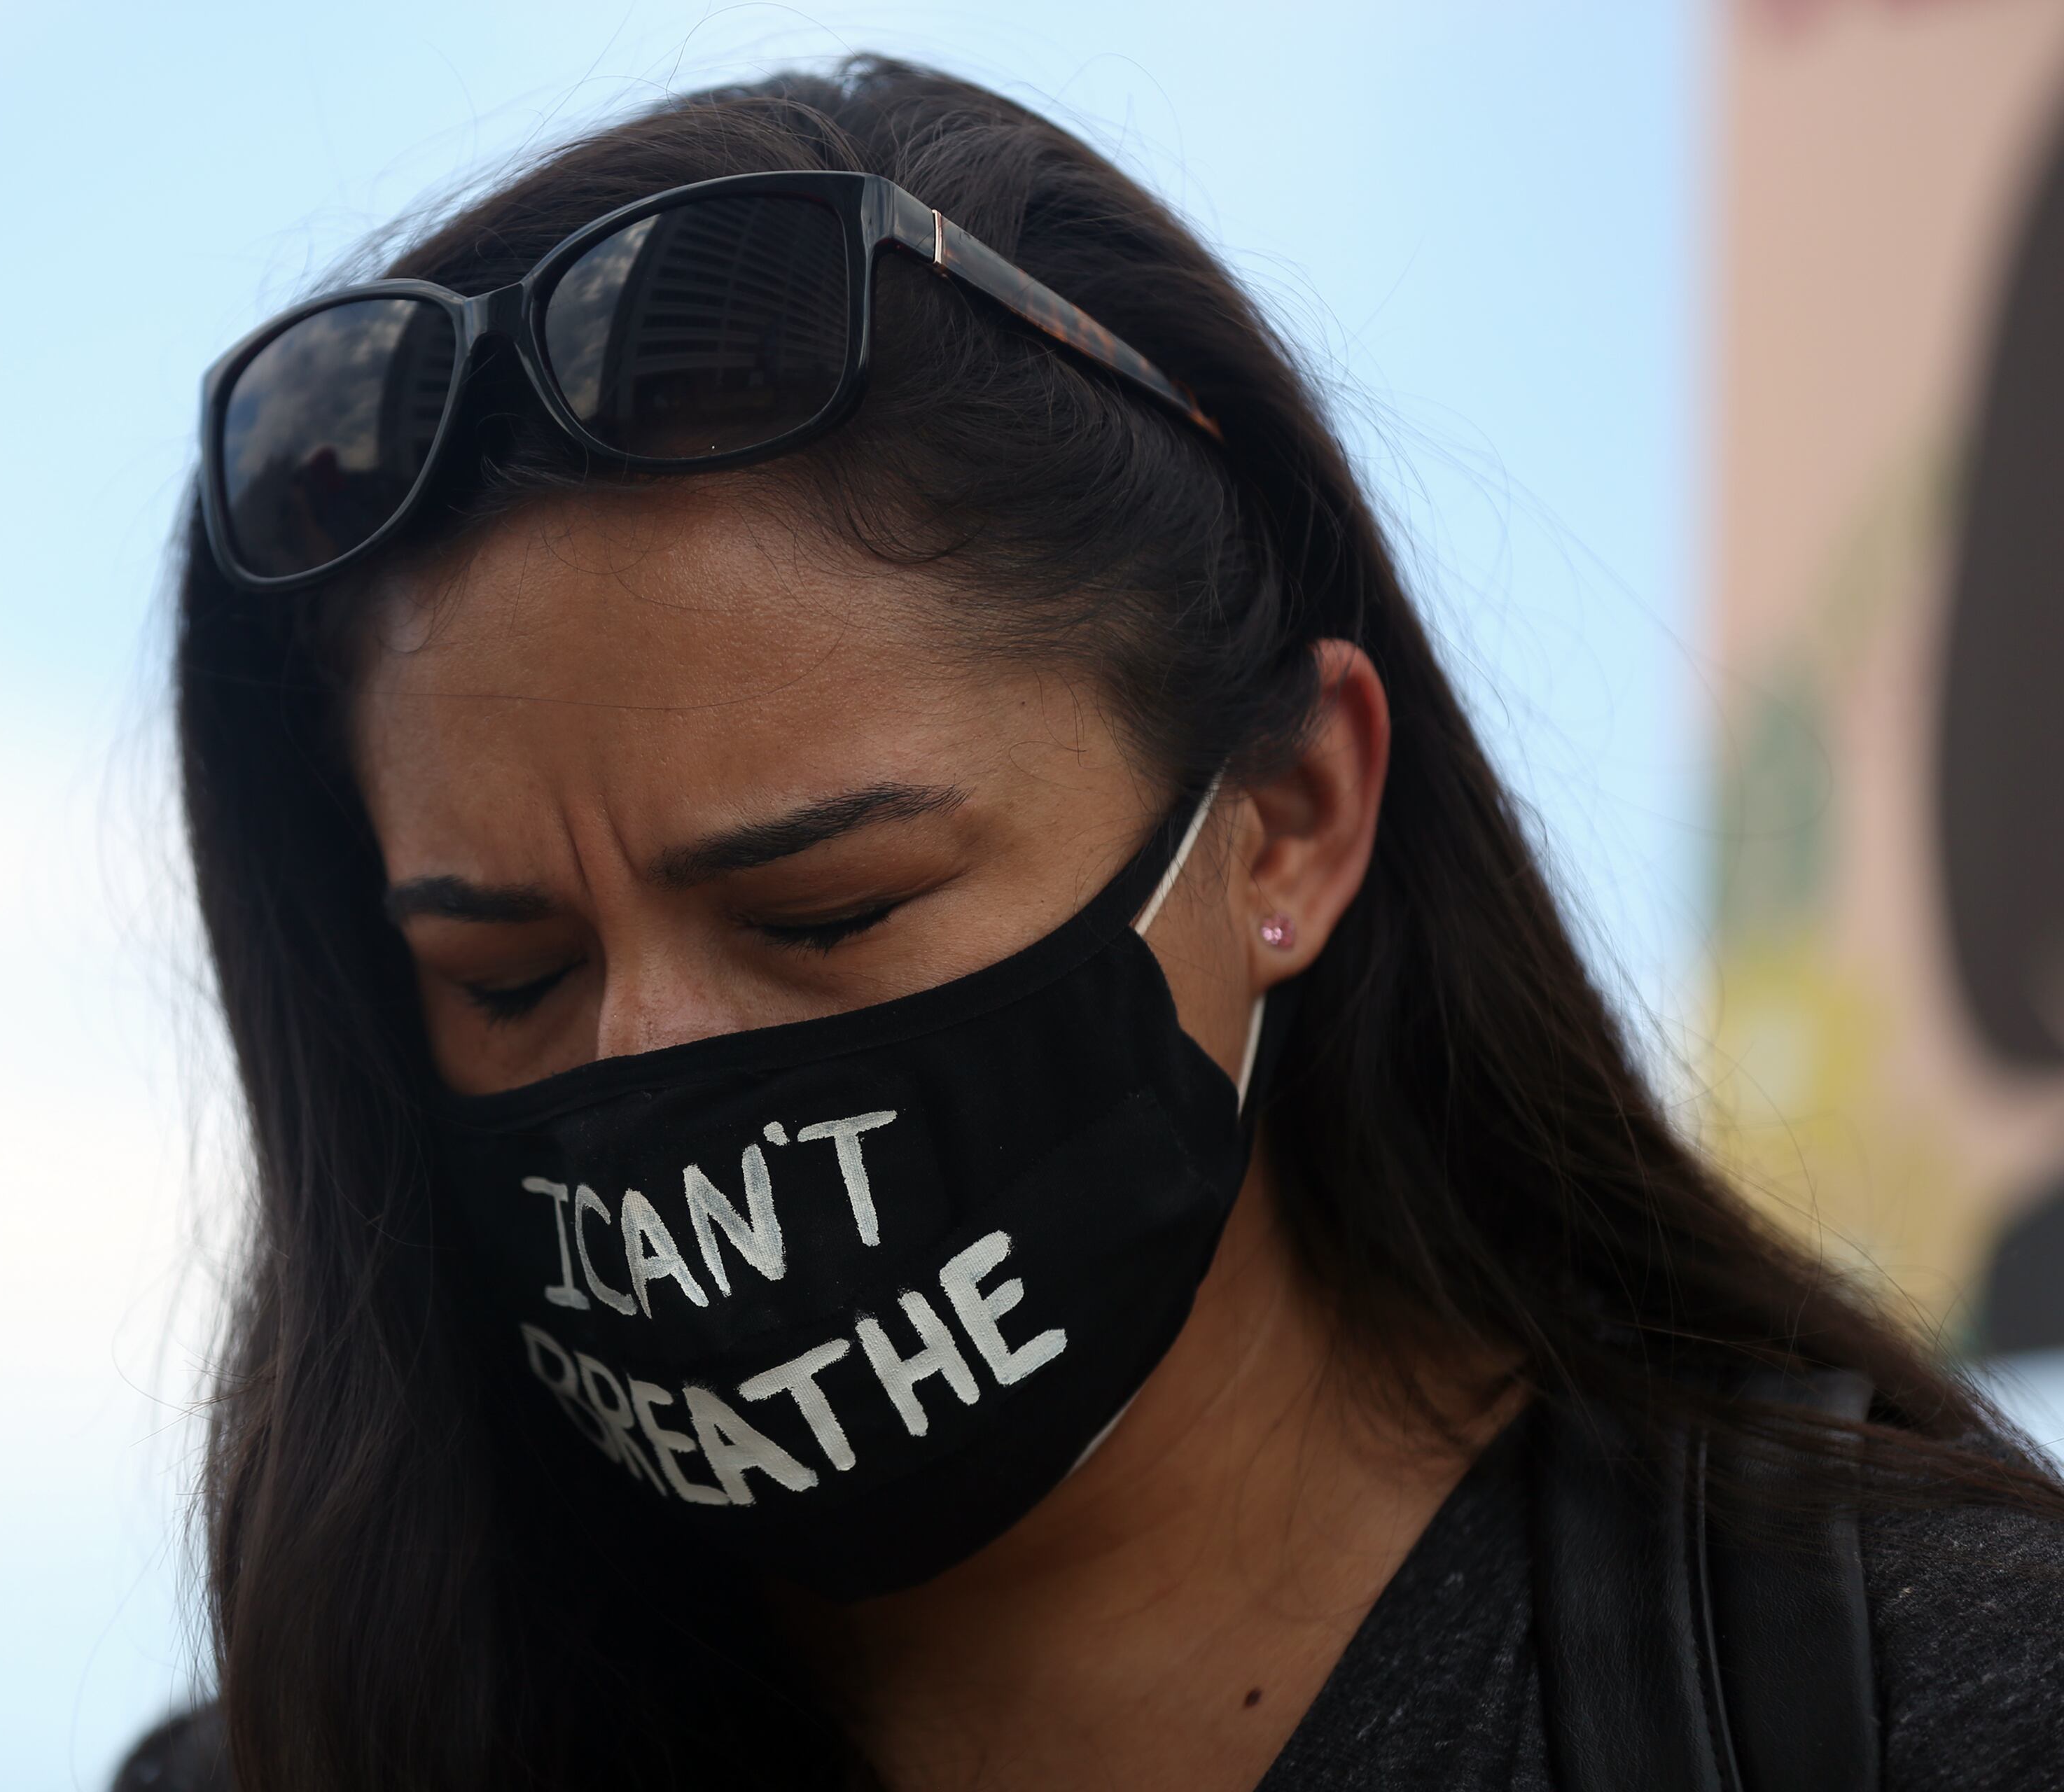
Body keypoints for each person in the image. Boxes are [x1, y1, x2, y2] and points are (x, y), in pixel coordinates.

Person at [120, 58, 2064, 1792]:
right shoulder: (299, 1754)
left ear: (1290, 821)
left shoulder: (1935, 1702)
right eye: (507, 974)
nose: (641, 1061)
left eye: (827, 908)